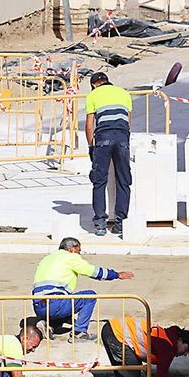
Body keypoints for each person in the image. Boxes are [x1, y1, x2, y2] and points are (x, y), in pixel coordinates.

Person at [32, 237, 135, 340]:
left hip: (39, 308)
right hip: (56, 304)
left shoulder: (47, 259)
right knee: (89, 296)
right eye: (79, 251)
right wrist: (116, 275)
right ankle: (79, 333)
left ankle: (47, 325)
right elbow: (93, 272)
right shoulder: (70, 257)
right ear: (72, 249)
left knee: (66, 309)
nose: (79, 254)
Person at [93, 317, 189, 377]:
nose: (184, 354)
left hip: (114, 330)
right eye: (186, 350)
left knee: (130, 372)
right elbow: (162, 374)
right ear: (180, 340)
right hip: (117, 333)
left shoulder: (167, 337)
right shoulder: (167, 345)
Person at [84, 72, 133, 237]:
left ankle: (100, 224)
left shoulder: (93, 95)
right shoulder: (124, 93)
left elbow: (90, 125)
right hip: (122, 138)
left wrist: (91, 146)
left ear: (93, 85)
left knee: (99, 182)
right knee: (123, 181)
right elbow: (128, 121)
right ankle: (121, 223)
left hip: (103, 138)